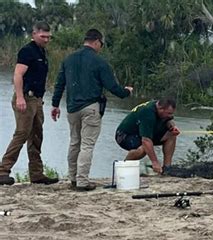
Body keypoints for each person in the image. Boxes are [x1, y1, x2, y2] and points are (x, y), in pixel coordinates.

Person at [51, 29, 133, 191]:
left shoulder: (68, 59)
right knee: (87, 145)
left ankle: (73, 178)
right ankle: (82, 181)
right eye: (101, 44)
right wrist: (126, 92)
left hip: (72, 108)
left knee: (74, 142)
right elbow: (112, 87)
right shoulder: (100, 62)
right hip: (91, 108)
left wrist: (54, 105)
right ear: (96, 41)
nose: (101, 47)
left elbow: (60, 83)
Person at [0, 22, 58, 186]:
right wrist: (20, 98)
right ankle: (3, 170)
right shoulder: (27, 51)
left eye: (48, 37)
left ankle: (36, 173)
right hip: (26, 97)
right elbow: (18, 74)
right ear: (34, 34)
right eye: (43, 36)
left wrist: (40, 101)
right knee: (22, 134)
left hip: (37, 99)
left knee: (36, 135)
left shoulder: (42, 52)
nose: (46, 39)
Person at [115, 97, 180, 174]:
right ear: (160, 108)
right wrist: (155, 162)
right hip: (125, 136)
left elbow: (169, 120)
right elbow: (146, 141)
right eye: (169, 113)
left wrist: (172, 127)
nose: (170, 115)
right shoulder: (147, 112)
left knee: (171, 135)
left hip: (144, 132)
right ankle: (124, 167)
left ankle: (167, 168)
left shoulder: (160, 105)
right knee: (143, 149)